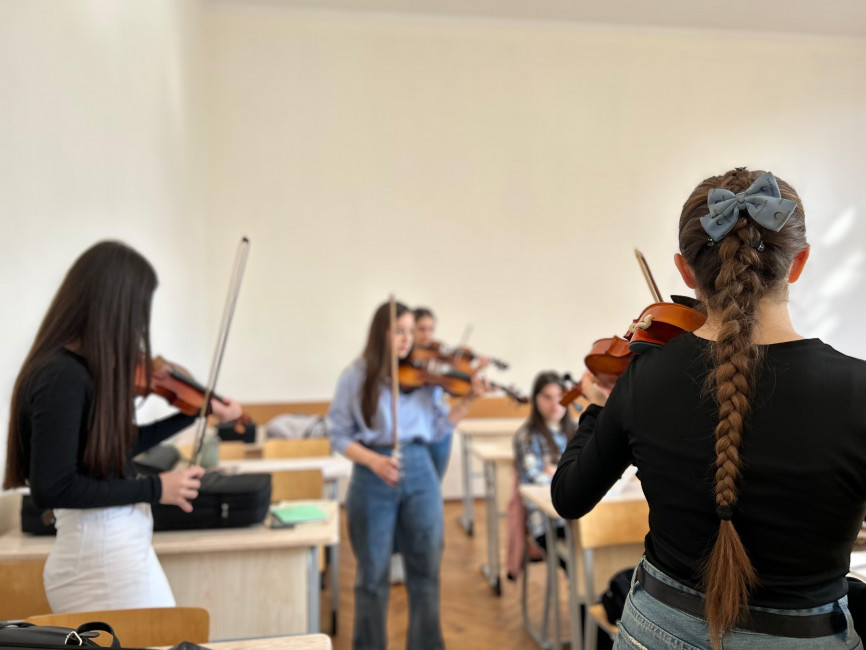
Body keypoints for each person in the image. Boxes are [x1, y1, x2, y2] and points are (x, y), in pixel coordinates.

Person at [552, 168, 866, 649]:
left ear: (685, 270)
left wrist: (598, 407)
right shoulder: (858, 390)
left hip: (654, 631)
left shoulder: (645, 376)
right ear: (799, 263)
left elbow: (569, 497)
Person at [3, 241, 243, 613]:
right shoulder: (61, 375)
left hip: (113, 556)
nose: (137, 326)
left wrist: (196, 411)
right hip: (99, 566)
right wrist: (155, 487)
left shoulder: (77, 371)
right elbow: (53, 486)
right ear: (113, 307)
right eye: (136, 310)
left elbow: (117, 447)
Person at [328, 300, 486, 650]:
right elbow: (338, 434)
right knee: (371, 575)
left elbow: (437, 427)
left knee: (426, 569)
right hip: (372, 474)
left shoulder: (424, 377)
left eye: (410, 331)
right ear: (380, 333)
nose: (405, 339)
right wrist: (372, 461)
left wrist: (467, 402)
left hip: (419, 468)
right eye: (398, 330)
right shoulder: (356, 375)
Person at [513, 371, 576, 552]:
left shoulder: (577, 431)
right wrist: (569, 475)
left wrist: (555, 472)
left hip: (578, 512)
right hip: (546, 519)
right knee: (581, 553)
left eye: (560, 397)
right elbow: (536, 479)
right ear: (536, 399)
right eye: (547, 397)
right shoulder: (527, 436)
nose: (555, 404)